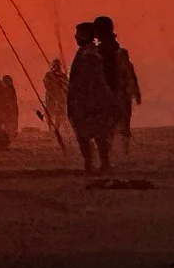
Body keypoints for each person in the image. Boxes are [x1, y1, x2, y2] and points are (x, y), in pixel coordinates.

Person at [67, 21, 117, 174]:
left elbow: (96, 79)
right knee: (90, 134)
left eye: (78, 33)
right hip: (85, 101)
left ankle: (97, 164)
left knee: (92, 134)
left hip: (90, 102)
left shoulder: (90, 54)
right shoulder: (86, 52)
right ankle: (95, 164)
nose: (75, 36)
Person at [95, 15, 139, 152]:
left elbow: (128, 73)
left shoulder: (104, 52)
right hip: (118, 94)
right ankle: (121, 152)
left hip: (112, 94)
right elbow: (130, 73)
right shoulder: (118, 51)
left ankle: (113, 153)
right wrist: (135, 91)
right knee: (121, 125)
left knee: (111, 126)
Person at [42, 57, 70, 149]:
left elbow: (67, 86)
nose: (57, 67)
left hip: (60, 98)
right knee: (50, 114)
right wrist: (55, 82)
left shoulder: (62, 76)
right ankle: (51, 130)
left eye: (58, 66)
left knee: (59, 115)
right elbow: (47, 85)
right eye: (55, 66)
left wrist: (62, 82)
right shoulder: (48, 75)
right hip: (51, 98)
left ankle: (58, 130)